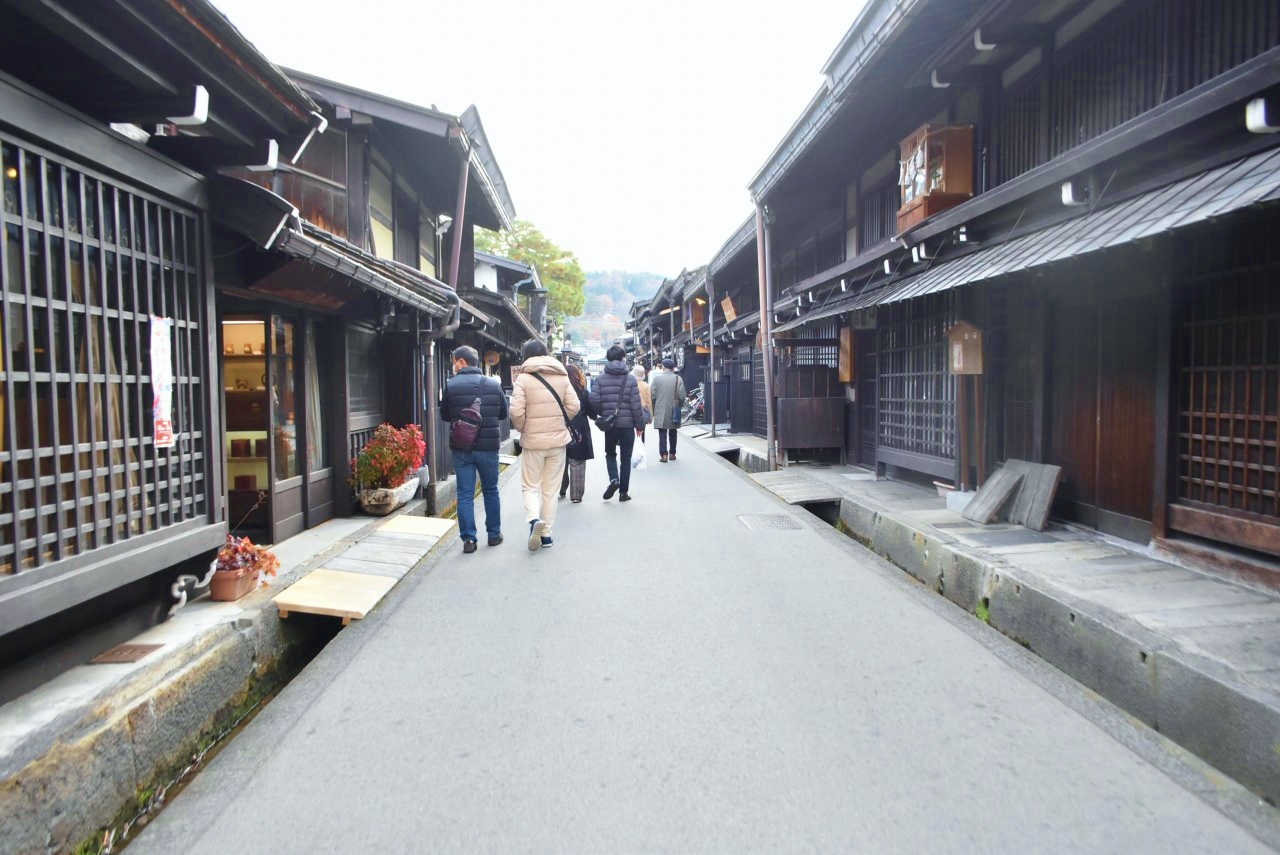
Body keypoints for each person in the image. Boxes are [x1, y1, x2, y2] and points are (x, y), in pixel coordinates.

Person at [509, 338, 579, 552]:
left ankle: (533, 520)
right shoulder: (561, 375)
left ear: (526, 355)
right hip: (558, 442)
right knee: (550, 489)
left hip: (533, 443)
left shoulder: (523, 378)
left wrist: (524, 427)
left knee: (530, 486)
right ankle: (547, 535)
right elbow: (574, 405)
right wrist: (559, 420)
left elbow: (515, 411)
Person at [440, 346, 508, 553]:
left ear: (461, 362)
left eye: (454, 361)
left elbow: (444, 416)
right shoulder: (492, 384)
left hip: (462, 447)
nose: (453, 365)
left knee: (465, 493)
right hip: (488, 447)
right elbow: (504, 414)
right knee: (490, 490)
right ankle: (494, 534)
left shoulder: (451, 386)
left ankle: (469, 540)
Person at [589, 345, 647, 502]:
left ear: (608, 359)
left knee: (610, 454)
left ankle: (614, 479)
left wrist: (603, 412)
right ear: (623, 359)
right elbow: (636, 405)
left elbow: (593, 399)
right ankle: (623, 493)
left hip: (611, 425)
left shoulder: (600, 379)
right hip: (627, 425)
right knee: (626, 459)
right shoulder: (631, 379)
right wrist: (640, 425)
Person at [559, 363, 596, 503]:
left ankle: (561, 489)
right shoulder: (583, 392)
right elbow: (591, 412)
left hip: (561, 426)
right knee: (577, 461)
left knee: (561, 460)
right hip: (579, 428)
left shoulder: (558, 391)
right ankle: (576, 495)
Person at [649, 357, 685, 462]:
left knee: (662, 432)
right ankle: (672, 453)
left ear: (664, 367)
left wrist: (654, 407)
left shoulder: (656, 379)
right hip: (674, 409)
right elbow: (682, 395)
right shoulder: (678, 379)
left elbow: (653, 395)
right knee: (673, 432)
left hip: (660, 409)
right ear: (673, 368)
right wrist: (679, 406)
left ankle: (664, 454)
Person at [631, 364, 652, 444]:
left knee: (631, 433)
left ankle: (632, 450)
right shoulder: (646, 386)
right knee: (642, 432)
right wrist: (650, 416)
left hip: (632, 411)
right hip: (643, 412)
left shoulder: (630, 384)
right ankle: (641, 448)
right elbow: (649, 402)